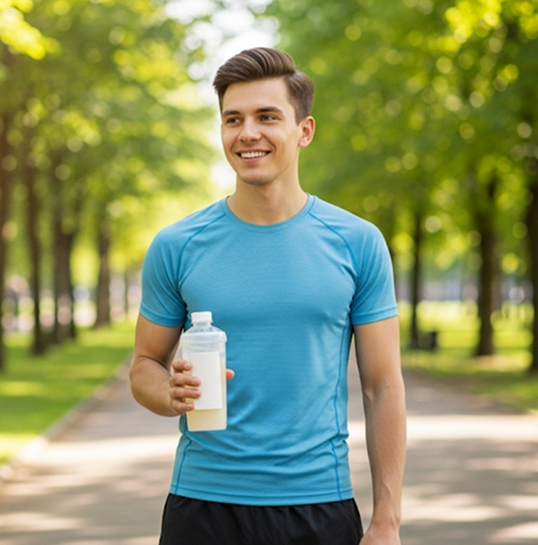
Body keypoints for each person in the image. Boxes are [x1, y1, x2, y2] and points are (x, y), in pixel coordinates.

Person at [130, 47, 406, 545]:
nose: (248, 133)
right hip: (202, 507)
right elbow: (144, 365)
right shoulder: (177, 245)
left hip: (319, 508)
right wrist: (168, 393)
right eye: (232, 119)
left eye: (267, 116)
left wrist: (387, 520)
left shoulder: (358, 242)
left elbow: (382, 386)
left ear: (304, 131)